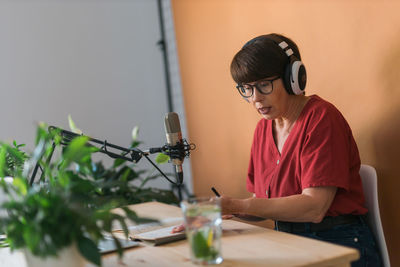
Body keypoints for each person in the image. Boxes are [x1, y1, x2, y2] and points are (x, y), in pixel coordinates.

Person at [173, 33, 381, 266]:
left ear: (294, 78)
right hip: (288, 240)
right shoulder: (264, 129)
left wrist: (236, 205)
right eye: (247, 88)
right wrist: (221, 211)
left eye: (264, 85)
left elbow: (314, 207)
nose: (255, 98)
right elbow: (263, 201)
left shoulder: (322, 118)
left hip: (337, 244)